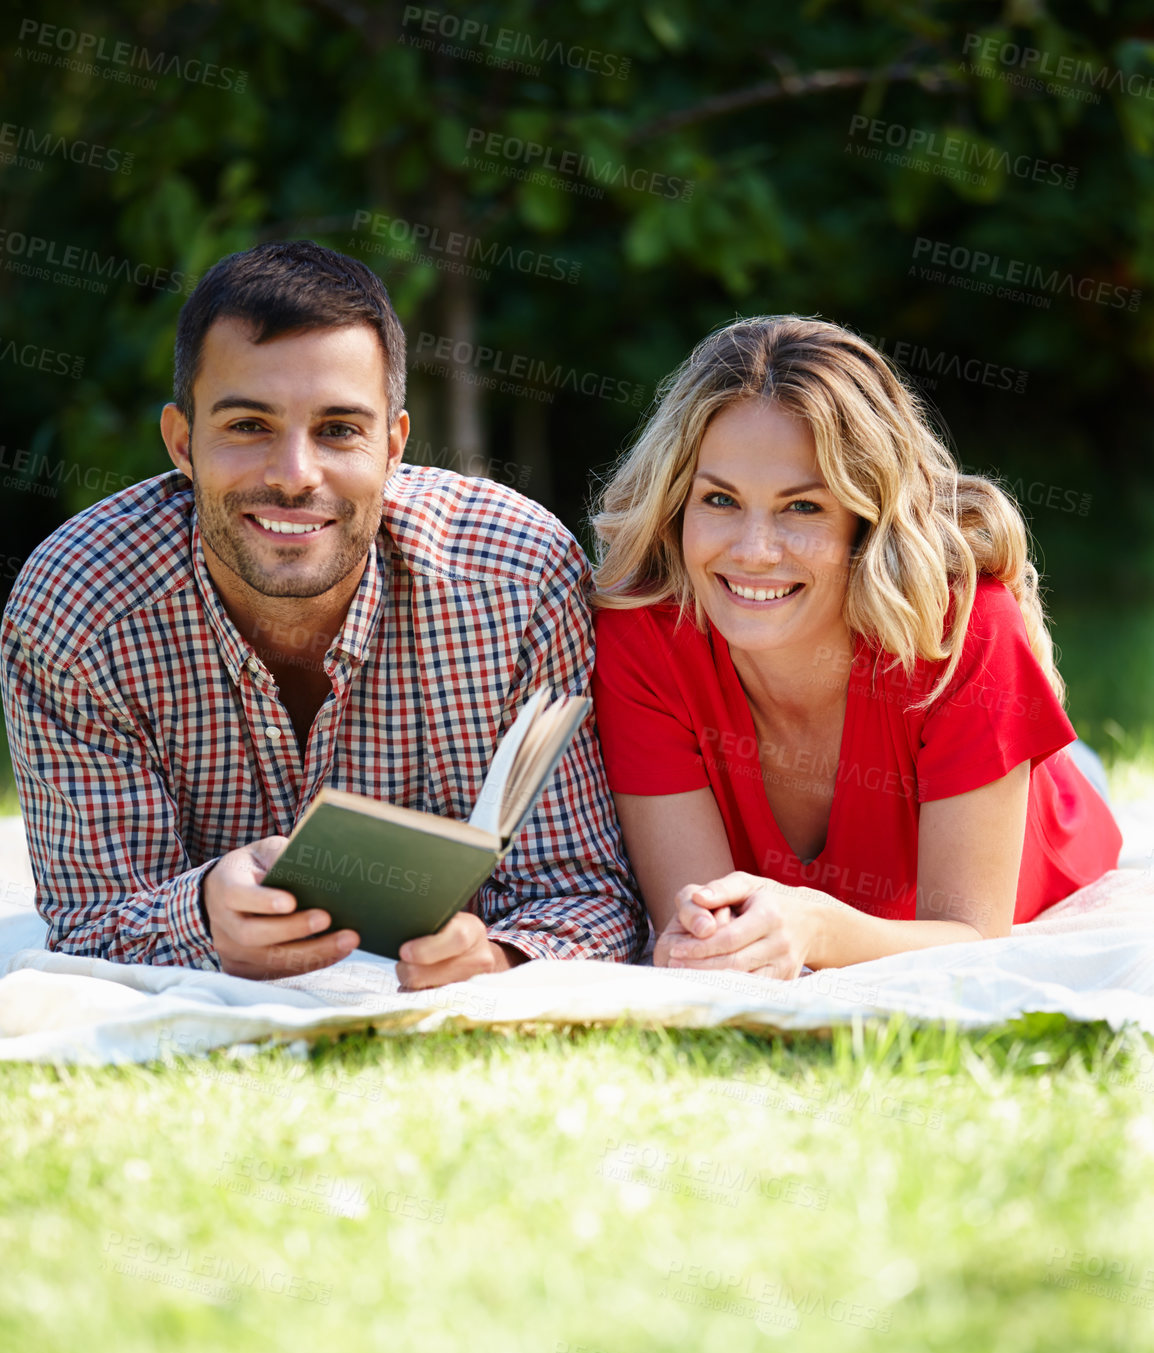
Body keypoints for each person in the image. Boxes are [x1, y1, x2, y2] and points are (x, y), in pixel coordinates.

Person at [1, 241, 647, 985]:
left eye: (339, 429)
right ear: (182, 442)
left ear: (394, 446)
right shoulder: (79, 604)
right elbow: (91, 919)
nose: (294, 476)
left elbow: (589, 893)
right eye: (248, 426)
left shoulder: (517, 578)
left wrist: (499, 956)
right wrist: (203, 917)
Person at [591, 316, 1121, 978]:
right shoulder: (642, 634)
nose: (754, 551)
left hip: (1055, 830)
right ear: (676, 506)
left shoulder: (966, 627)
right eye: (720, 499)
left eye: (803, 507)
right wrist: (720, 940)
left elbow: (972, 937)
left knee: (1077, 775)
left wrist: (814, 925)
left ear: (865, 521)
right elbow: (704, 929)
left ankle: (1066, 757)